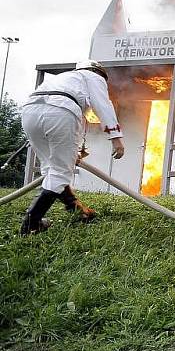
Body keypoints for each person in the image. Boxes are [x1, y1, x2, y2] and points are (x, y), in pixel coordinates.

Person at [20, 60, 125, 234]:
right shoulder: (93, 76)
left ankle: (76, 209)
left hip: (30, 112)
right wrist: (116, 138)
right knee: (60, 172)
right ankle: (30, 225)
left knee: (51, 168)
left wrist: (71, 152)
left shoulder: (64, 78)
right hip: (61, 111)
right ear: (99, 73)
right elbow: (103, 105)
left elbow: (80, 120)